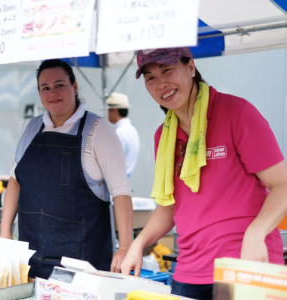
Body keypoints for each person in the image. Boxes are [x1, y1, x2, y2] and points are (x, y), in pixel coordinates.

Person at [121, 47, 287, 300]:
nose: (160, 83)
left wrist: (256, 233)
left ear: (190, 67)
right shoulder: (163, 137)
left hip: (246, 264)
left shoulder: (237, 112)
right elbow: (170, 207)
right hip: (189, 273)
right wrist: (138, 243)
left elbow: (282, 185)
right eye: (150, 77)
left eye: (167, 70)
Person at [0, 59, 133, 279]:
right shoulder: (33, 127)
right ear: (40, 93)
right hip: (32, 261)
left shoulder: (98, 130)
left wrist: (126, 246)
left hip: (82, 267)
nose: (53, 93)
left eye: (59, 85)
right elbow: (15, 180)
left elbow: (120, 193)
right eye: (45, 88)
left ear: (75, 86)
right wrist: (5, 232)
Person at [107, 92, 140, 178]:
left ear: (115, 110)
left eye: (108, 110)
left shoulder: (119, 133)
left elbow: (112, 162)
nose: (107, 114)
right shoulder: (132, 130)